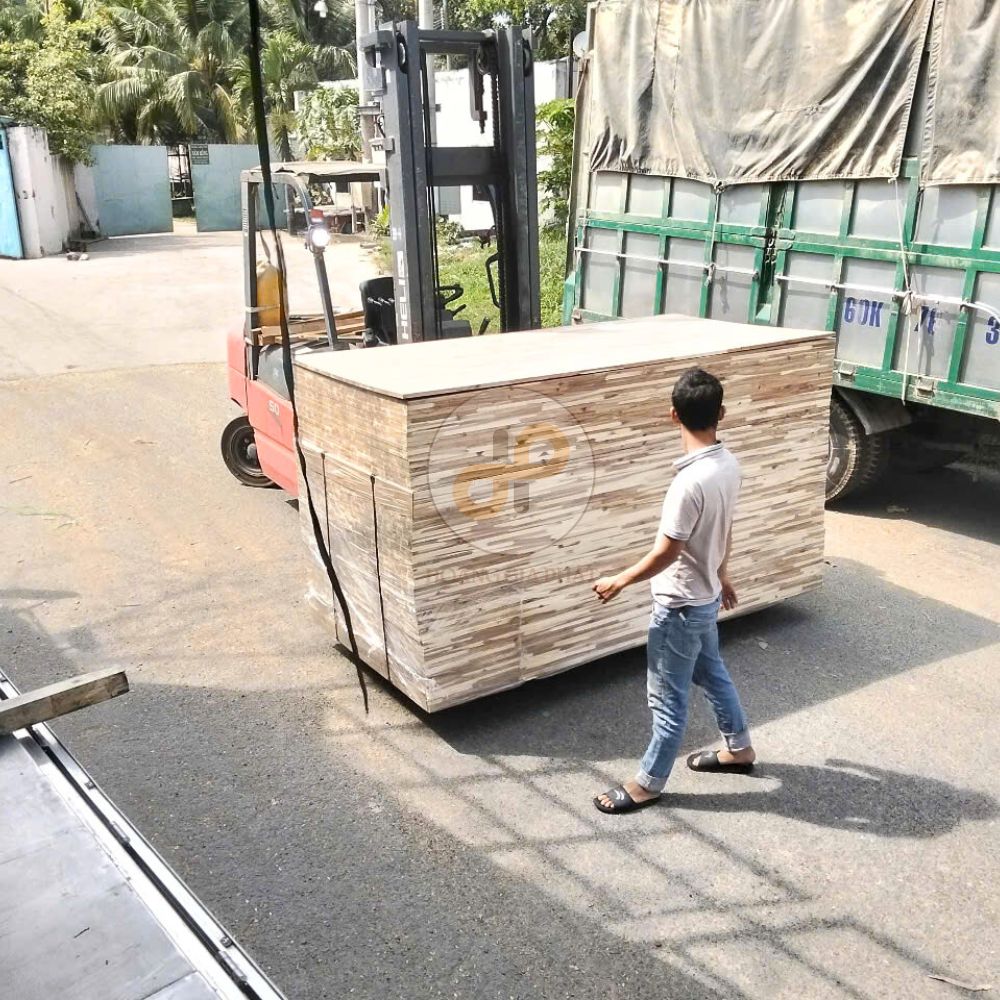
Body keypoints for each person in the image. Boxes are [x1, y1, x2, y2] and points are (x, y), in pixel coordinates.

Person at [592, 367, 755, 814]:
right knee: (712, 672)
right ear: (722, 413)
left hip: (680, 606)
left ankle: (648, 783)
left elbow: (667, 552)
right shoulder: (728, 465)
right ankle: (739, 747)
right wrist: (721, 574)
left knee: (667, 699)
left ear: (673, 415)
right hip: (704, 596)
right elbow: (724, 528)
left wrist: (620, 580)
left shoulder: (688, 484)